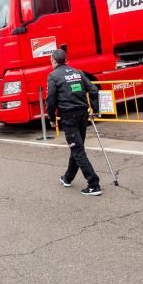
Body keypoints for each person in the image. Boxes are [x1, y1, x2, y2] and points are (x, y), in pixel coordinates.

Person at [46, 48, 102, 196]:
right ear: (65, 60)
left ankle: (93, 184)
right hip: (83, 115)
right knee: (76, 147)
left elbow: (51, 101)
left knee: (78, 150)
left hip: (69, 117)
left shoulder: (53, 76)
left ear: (53, 61)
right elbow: (94, 90)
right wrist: (95, 110)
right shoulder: (78, 72)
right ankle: (68, 178)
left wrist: (51, 119)